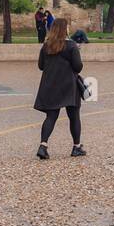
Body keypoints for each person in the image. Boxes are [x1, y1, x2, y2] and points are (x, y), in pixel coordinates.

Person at [35, 17, 85, 159]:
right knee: (74, 116)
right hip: (69, 85)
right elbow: (78, 67)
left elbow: (41, 66)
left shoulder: (46, 46)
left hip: (50, 84)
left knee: (51, 116)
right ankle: (76, 147)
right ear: (64, 29)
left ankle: (43, 145)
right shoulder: (71, 46)